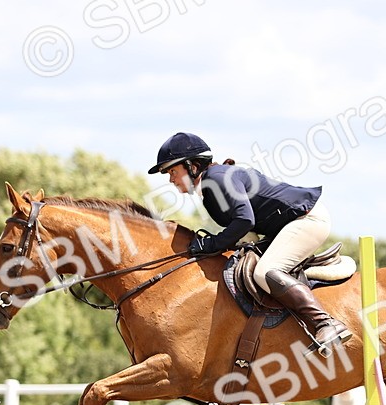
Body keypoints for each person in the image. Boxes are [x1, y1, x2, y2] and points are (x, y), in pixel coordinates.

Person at [149, 132, 352, 356]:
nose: (171, 180)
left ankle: (326, 323)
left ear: (192, 165)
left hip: (307, 220)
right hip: (288, 225)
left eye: (172, 171)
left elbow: (245, 220)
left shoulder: (217, 179)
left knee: (265, 272)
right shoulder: (211, 185)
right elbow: (247, 233)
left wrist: (211, 244)